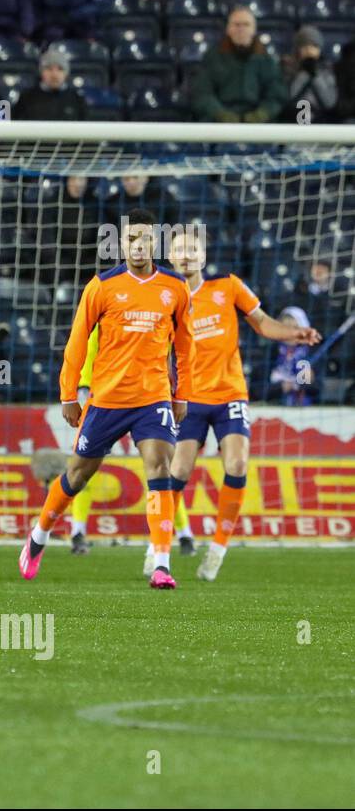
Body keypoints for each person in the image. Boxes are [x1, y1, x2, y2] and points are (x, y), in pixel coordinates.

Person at [20, 209, 194, 589]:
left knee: (160, 468)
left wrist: (183, 393)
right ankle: (39, 535)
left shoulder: (174, 288)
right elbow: (77, 342)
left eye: (145, 238)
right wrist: (68, 394)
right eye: (131, 238)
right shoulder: (101, 286)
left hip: (153, 398)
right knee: (78, 475)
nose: (138, 245)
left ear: (155, 242)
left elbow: (184, 347)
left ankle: (162, 563)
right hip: (107, 399)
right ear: (121, 243)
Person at [164, 230, 320, 581]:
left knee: (236, 463)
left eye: (193, 249)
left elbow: (263, 323)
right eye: (179, 251)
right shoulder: (167, 299)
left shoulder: (228, 287)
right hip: (188, 398)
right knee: (178, 472)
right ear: (171, 259)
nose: (187, 255)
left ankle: (217, 549)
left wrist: (295, 333)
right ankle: (158, 549)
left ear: (203, 257)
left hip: (230, 394)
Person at [190, 7, 288, 123]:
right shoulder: (212, 58)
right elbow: (203, 94)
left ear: (254, 30)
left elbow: (276, 96)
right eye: (236, 25)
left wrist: (261, 114)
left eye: (246, 25)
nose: (241, 29)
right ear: (228, 29)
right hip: (218, 124)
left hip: (259, 125)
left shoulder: (267, 60)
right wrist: (221, 114)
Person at [12, 48, 89, 121]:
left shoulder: (76, 99)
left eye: (60, 69)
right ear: (41, 72)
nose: (54, 75)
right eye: (49, 69)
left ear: (66, 74)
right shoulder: (26, 98)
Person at [282, 27, 339, 124]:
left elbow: (329, 102)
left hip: (320, 121)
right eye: (305, 46)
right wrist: (304, 74)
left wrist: (315, 76)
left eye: (314, 46)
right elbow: (288, 97)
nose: (309, 50)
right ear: (298, 49)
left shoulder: (327, 70)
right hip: (292, 120)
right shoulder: (288, 68)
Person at [269, 306, 317, 406]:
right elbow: (256, 389)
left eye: (294, 328)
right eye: (285, 327)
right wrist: (280, 387)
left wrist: (309, 380)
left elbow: (317, 389)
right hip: (272, 406)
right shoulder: (271, 351)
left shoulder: (309, 352)